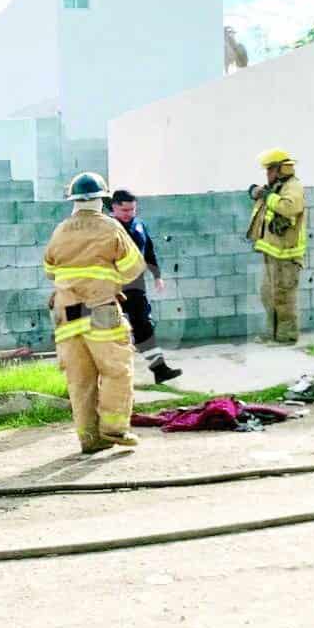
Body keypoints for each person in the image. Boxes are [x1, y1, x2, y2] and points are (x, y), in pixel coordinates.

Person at [44, 172, 146, 454]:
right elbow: (132, 268)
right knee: (116, 369)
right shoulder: (110, 228)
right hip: (100, 308)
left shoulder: (60, 230)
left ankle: (89, 438)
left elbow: (50, 270)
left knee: (80, 377)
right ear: (101, 200)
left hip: (66, 312)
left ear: (74, 201)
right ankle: (114, 427)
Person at [108, 188, 182, 385]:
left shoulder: (139, 225)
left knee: (144, 327)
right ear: (114, 208)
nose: (130, 214)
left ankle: (159, 370)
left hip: (136, 286)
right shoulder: (107, 228)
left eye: (133, 210)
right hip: (111, 288)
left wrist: (157, 275)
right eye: (125, 210)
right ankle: (111, 378)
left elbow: (148, 250)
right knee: (110, 332)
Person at [246, 147, 307, 344]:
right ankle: (273, 333)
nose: (267, 174)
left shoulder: (293, 187)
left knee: (283, 297)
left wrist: (267, 196)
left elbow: (289, 207)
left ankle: (286, 336)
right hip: (272, 252)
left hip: (287, 255)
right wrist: (259, 193)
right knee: (268, 294)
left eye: (270, 169)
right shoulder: (279, 187)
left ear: (282, 169)